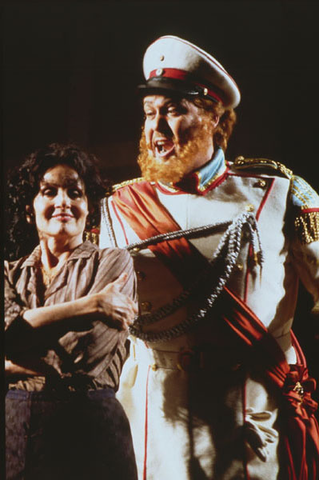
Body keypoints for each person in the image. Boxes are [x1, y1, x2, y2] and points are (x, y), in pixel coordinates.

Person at [99, 35, 319, 479]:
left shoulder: (282, 195)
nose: (156, 128)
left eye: (174, 111)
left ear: (215, 116)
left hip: (248, 425)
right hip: (149, 427)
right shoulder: (116, 207)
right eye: (149, 114)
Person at [5, 143, 138, 480]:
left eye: (74, 193)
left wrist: (10, 360)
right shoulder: (8, 273)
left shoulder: (113, 262)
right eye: (49, 191)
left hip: (91, 428)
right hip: (16, 430)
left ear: (88, 208)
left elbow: (81, 358)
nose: (63, 201)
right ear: (28, 207)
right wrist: (90, 305)